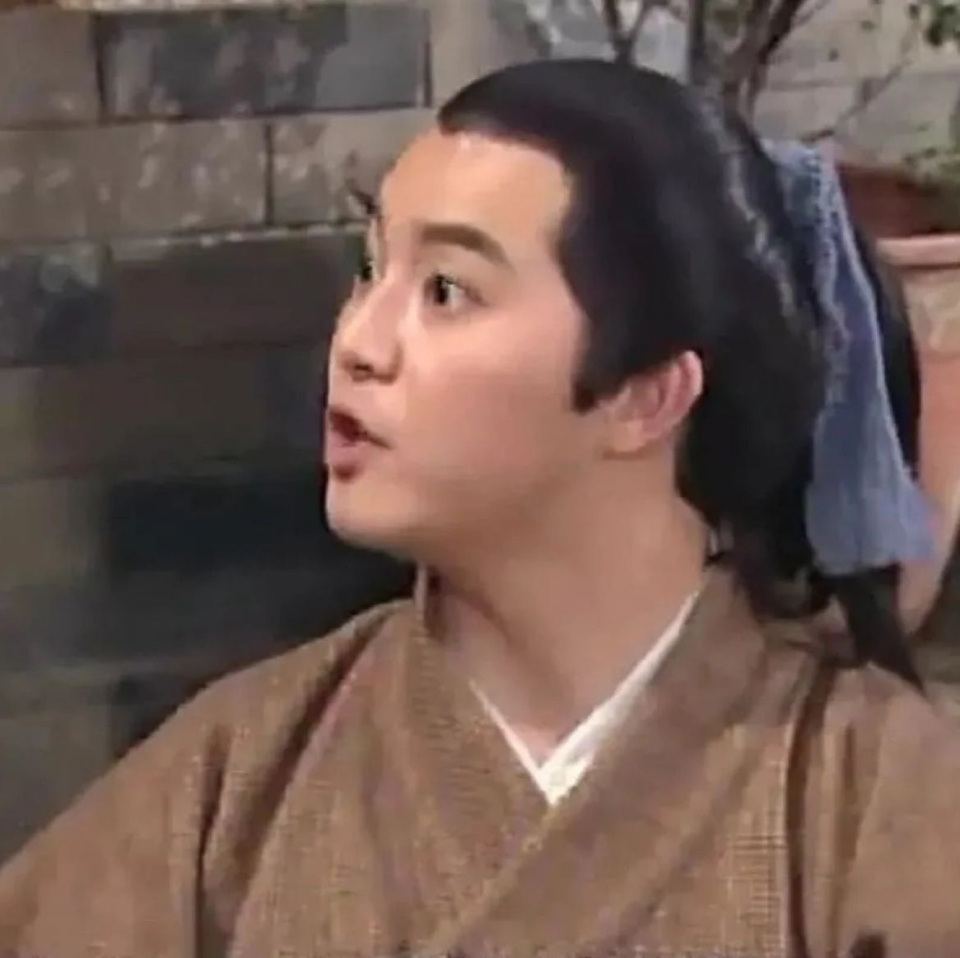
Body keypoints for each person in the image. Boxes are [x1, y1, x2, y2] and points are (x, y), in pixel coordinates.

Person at [1, 58, 959, 958]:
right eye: (370, 269)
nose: (359, 341)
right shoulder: (237, 776)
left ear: (645, 397)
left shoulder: (874, 795)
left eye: (446, 291)